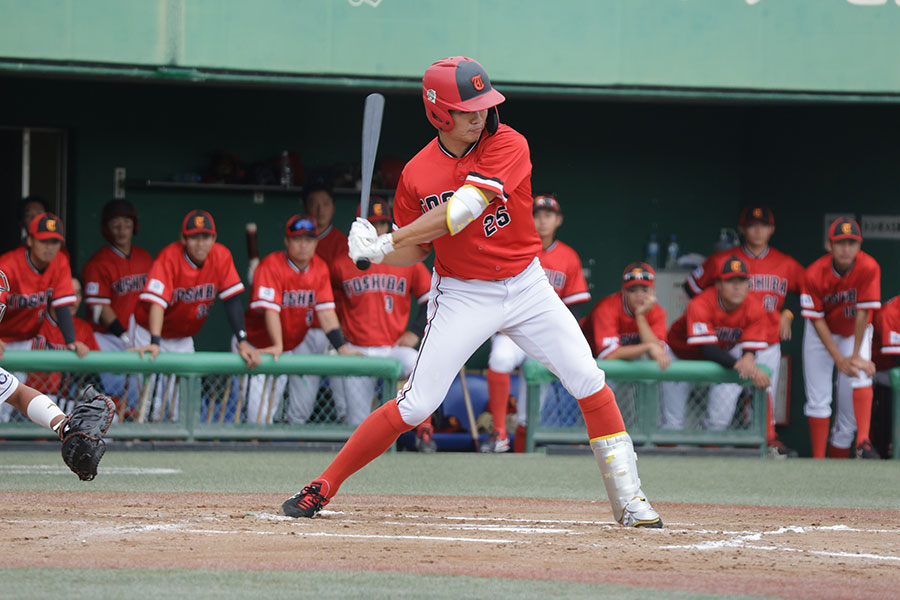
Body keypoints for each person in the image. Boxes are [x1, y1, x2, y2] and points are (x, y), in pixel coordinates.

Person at [282, 56, 662, 528]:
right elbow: (417, 250)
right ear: (439, 113)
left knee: (588, 378)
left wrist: (387, 240)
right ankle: (323, 485)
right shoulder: (417, 173)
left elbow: (463, 208)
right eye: (467, 108)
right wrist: (375, 253)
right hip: (463, 293)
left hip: (526, 284)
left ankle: (630, 500)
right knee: (417, 403)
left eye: (484, 103)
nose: (480, 114)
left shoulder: (509, 142)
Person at [683, 206, 804, 456]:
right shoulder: (721, 260)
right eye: (751, 225)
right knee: (723, 397)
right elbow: (692, 288)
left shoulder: (786, 263)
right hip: (730, 343)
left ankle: (767, 440)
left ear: (772, 229)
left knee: (766, 392)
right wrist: (716, 322)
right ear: (742, 229)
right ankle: (711, 440)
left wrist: (788, 314)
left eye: (763, 225)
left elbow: (809, 291)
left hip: (767, 339)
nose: (757, 231)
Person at [482, 193, 591, 453]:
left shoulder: (568, 257)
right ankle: (499, 432)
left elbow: (574, 307)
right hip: (512, 329)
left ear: (558, 220)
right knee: (499, 358)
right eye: (537, 215)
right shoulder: (512, 246)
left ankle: (523, 449)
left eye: (548, 215)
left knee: (530, 407)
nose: (542, 221)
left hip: (543, 334)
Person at [131, 209, 260, 421]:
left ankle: (174, 439)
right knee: (148, 402)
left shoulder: (221, 256)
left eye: (205, 237)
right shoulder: (169, 257)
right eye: (194, 237)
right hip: (148, 331)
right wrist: (154, 341)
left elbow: (231, 301)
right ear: (183, 239)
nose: (200, 243)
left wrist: (243, 341)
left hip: (182, 337)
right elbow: (157, 303)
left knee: (183, 405)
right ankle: (139, 436)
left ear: (214, 238)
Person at [328, 197, 433, 447]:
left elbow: (432, 299)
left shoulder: (405, 259)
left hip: (392, 348)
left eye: (383, 224)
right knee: (358, 424)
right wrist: (340, 342)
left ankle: (425, 431)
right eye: (372, 224)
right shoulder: (342, 262)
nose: (378, 230)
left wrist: (415, 332)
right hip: (358, 350)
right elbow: (327, 307)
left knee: (422, 364)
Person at [239, 214, 358, 424]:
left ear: (316, 243)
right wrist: (278, 344)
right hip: (256, 347)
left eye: (309, 239)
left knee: (273, 415)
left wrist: (342, 348)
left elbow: (326, 313)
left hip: (283, 349)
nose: (303, 245)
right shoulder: (271, 265)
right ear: (286, 241)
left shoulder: (320, 267)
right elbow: (271, 311)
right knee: (256, 417)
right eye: (297, 239)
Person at [0, 269, 101, 467]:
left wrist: (65, 427)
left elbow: (20, 395)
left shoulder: (82, 328)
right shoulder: (38, 325)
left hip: (58, 398)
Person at [800, 217, 881, 459]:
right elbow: (816, 319)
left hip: (854, 331)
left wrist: (854, 356)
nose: (846, 248)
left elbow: (863, 313)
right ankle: (818, 460)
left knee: (861, 373)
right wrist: (839, 359)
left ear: (859, 245)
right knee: (818, 399)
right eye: (840, 242)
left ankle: (863, 441)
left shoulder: (869, 267)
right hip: (820, 334)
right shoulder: (814, 273)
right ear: (829, 245)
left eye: (851, 243)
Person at [661, 256, 770, 431]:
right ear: (718, 284)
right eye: (730, 281)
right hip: (680, 356)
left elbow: (750, 347)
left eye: (742, 281)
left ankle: (709, 444)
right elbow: (709, 349)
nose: (737, 287)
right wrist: (746, 367)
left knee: (718, 423)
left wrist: (748, 359)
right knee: (672, 423)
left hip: (722, 359)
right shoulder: (700, 303)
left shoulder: (755, 307)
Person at [0, 213, 85, 422]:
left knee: (7, 405)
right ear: (29, 240)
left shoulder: (59, 262)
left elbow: (62, 303)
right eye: (43, 241)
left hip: (24, 340)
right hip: (2, 339)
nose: (49, 247)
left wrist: (70, 340)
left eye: (54, 242)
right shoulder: (8, 264)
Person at [82, 200, 153, 405]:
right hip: (107, 338)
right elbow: (100, 308)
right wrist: (123, 335)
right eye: (116, 225)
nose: (122, 231)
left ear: (134, 227)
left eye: (127, 225)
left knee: (145, 391)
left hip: (138, 335)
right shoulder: (98, 263)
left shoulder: (145, 258)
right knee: (118, 394)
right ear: (107, 229)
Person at [28, 277, 100, 412]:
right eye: (68, 294)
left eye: (77, 294)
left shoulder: (83, 328)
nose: (74, 300)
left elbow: (95, 373)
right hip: (29, 396)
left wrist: (84, 356)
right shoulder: (33, 322)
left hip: (66, 400)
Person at [582, 262, 669, 367]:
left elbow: (658, 354)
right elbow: (608, 355)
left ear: (653, 290)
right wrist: (647, 347)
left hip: (622, 363)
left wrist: (640, 316)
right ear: (623, 291)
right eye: (632, 290)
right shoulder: (606, 309)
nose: (639, 295)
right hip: (587, 359)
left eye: (645, 290)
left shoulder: (657, 312)